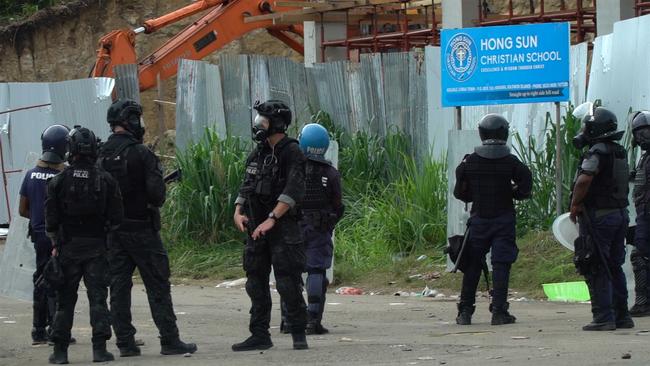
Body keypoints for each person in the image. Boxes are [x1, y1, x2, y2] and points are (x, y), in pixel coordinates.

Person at [98, 99, 197, 357]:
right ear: (130, 121)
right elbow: (157, 196)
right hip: (142, 230)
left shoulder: (100, 154)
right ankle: (169, 339)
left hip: (113, 233)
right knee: (157, 285)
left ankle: (125, 343)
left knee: (118, 289)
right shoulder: (142, 153)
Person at [232, 100, 308, 351]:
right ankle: (259, 334)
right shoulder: (260, 152)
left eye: (263, 122)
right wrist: (238, 210)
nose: (258, 126)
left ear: (276, 123)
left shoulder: (292, 152)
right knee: (255, 281)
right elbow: (247, 182)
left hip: (283, 229)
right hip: (255, 227)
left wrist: (272, 218)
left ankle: (298, 332)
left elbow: (294, 189)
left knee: (288, 282)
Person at [45, 126, 123, 364]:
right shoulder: (106, 180)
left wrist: (56, 243)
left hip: (68, 248)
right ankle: (99, 350)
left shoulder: (58, 181)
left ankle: (60, 352)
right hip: (97, 249)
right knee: (98, 300)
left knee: (64, 302)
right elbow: (117, 217)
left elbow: (50, 220)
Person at [453, 114, 532, 326]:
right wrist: (511, 192)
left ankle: (465, 312)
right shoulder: (511, 161)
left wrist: (476, 194)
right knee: (501, 265)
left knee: (472, 266)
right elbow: (525, 187)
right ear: (504, 133)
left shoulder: (469, 161)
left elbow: (460, 193)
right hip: (504, 220)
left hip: (479, 220)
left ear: (481, 133)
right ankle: (499, 312)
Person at [570, 106, 634, 331]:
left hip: (599, 217)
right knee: (614, 266)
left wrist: (575, 203)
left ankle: (604, 317)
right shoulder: (619, 151)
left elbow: (585, 179)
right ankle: (622, 315)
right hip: (619, 215)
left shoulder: (596, 152)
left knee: (596, 265)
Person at [19, 125, 69, 345]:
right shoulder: (62, 175)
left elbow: (22, 210)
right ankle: (55, 329)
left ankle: (38, 330)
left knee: (40, 281)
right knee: (57, 282)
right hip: (57, 238)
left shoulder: (31, 175)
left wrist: (38, 218)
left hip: (38, 237)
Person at [296, 123, 344, 334]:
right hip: (319, 227)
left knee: (290, 273)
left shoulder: (292, 169)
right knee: (316, 271)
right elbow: (338, 205)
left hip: (292, 226)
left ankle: (290, 321)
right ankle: (313, 321)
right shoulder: (330, 173)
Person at [628, 111, 650, 317]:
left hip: (647, 213)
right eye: (639, 133)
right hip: (643, 213)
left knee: (639, 256)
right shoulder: (645, 157)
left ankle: (643, 302)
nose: (642, 137)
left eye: (645, 132)